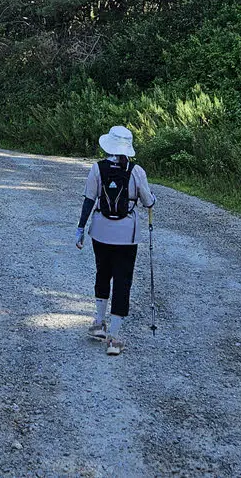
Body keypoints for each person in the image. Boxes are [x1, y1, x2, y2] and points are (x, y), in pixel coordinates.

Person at [75, 124, 156, 356]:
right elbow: (148, 202)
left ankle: (98, 323)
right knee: (122, 280)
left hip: (100, 232)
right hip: (126, 236)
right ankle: (115, 338)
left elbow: (89, 200)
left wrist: (80, 229)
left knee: (102, 273)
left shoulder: (97, 169)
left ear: (109, 145)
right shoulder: (136, 171)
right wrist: (153, 201)